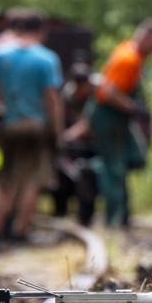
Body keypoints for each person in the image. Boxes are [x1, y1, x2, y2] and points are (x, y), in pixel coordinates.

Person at [0, 9, 64, 247]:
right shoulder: (46, 58)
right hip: (36, 125)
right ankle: (20, 232)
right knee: (32, 180)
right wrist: (58, 132)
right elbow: (52, 99)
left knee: (6, 180)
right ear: (42, 30)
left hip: (9, 124)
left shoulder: (1, 53)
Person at [86, 18, 152, 227]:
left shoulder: (134, 56)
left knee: (135, 157)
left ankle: (121, 211)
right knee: (113, 167)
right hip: (107, 117)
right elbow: (110, 92)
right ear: (144, 36)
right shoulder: (128, 59)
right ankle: (114, 219)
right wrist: (133, 107)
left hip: (120, 119)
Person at [53, 61, 99, 226]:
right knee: (62, 172)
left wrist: (71, 134)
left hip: (96, 143)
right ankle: (61, 211)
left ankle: (87, 216)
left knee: (88, 174)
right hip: (74, 144)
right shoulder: (68, 94)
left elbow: (89, 122)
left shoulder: (98, 91)